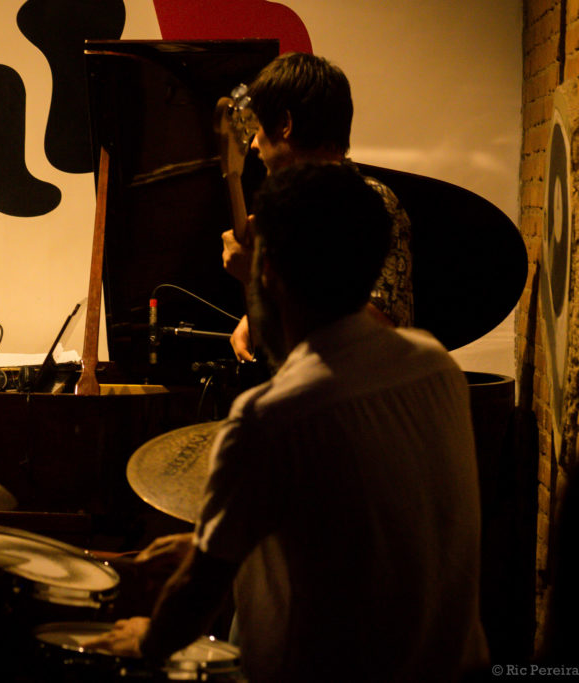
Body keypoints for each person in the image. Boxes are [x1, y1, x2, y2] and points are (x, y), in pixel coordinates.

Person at [88, 163, 488, 681]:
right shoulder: (435, 365)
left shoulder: (270, 419)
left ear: (266, 268)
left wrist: (148, 638)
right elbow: (364, 534)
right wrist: (213, 542)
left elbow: (196, 599)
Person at [217, 52, 413, 361]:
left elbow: (381, 328)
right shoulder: (285, 209)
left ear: (285, 124)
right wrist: (256, 318)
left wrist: (260, 279)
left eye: (257, 126)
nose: (253, 144)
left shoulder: (369, 203)